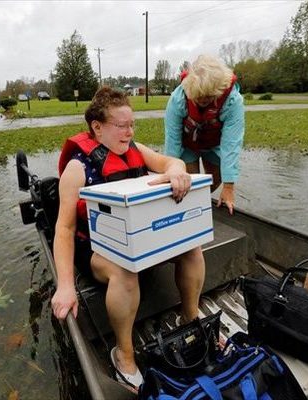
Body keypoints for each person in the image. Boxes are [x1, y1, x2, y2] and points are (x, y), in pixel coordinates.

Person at [52, 87, 206, 390]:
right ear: (97, 127)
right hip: (97, 246)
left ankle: (190, 321)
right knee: (125, 270)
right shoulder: (77, 168)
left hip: (137, 237)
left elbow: (171, 161)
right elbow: (64, 230)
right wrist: (66, 285)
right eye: (121, 126)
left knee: (192, 248)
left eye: (131, 124)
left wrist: (177, 173)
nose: (129, 132)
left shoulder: (136, 149)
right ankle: (123, 353)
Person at [164, 54, 245, 214]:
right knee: (186, 184)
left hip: (214, 144)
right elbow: (172, 140)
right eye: (198, 97)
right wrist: (171, 173)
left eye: (208, 97)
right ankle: (188, 208)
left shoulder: (233, 101)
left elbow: (231, 144)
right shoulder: (178, 98)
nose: (202, 101)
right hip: (187, 145)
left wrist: (229, 187)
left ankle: (198, 205)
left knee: (216, 180)